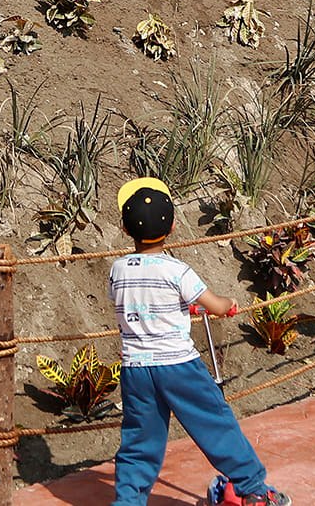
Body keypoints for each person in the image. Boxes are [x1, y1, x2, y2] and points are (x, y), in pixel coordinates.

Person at [108, 177, 290, 506]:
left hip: (136, 369)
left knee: (140, 440)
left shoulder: (118, 270)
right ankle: (254, 490)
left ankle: (128, 501)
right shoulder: (178, 271)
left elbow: (138, 302)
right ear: (174, 226)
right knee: (214, 423)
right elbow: (216, 305)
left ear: (125, 229)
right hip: (178, 365)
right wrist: (227, 304)